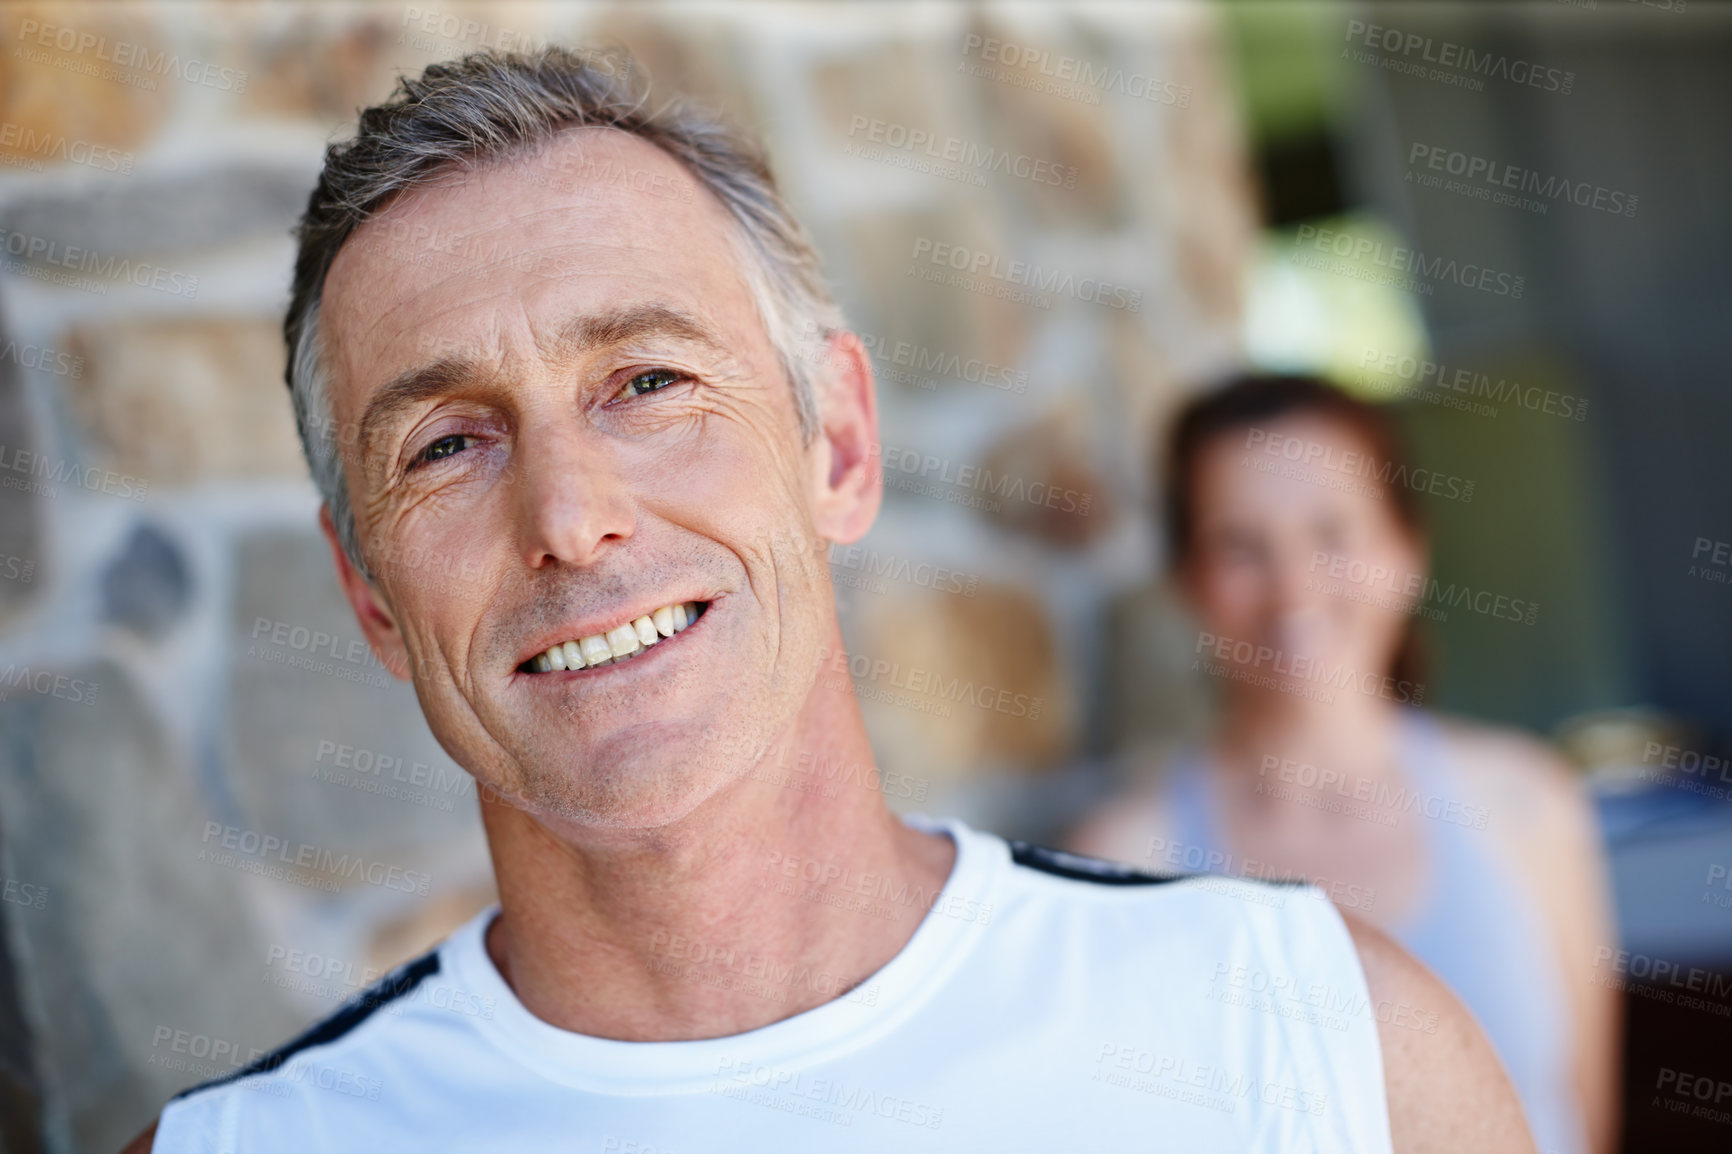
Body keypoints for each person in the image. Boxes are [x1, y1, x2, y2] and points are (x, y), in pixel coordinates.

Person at [125, 50, 1534, 1153]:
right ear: (368, 592)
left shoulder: (1318, 1040)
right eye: (446, 445)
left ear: (838, 447)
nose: (568, 516)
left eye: (648, 381)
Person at [1068, 375, 1620, 1154]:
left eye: (1331, 532)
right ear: (1189, 580)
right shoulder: (1126, 857)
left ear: (1405, 551)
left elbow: (1587, 1123)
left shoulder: (1528, 802)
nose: (1293, 587)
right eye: (1240, 545)